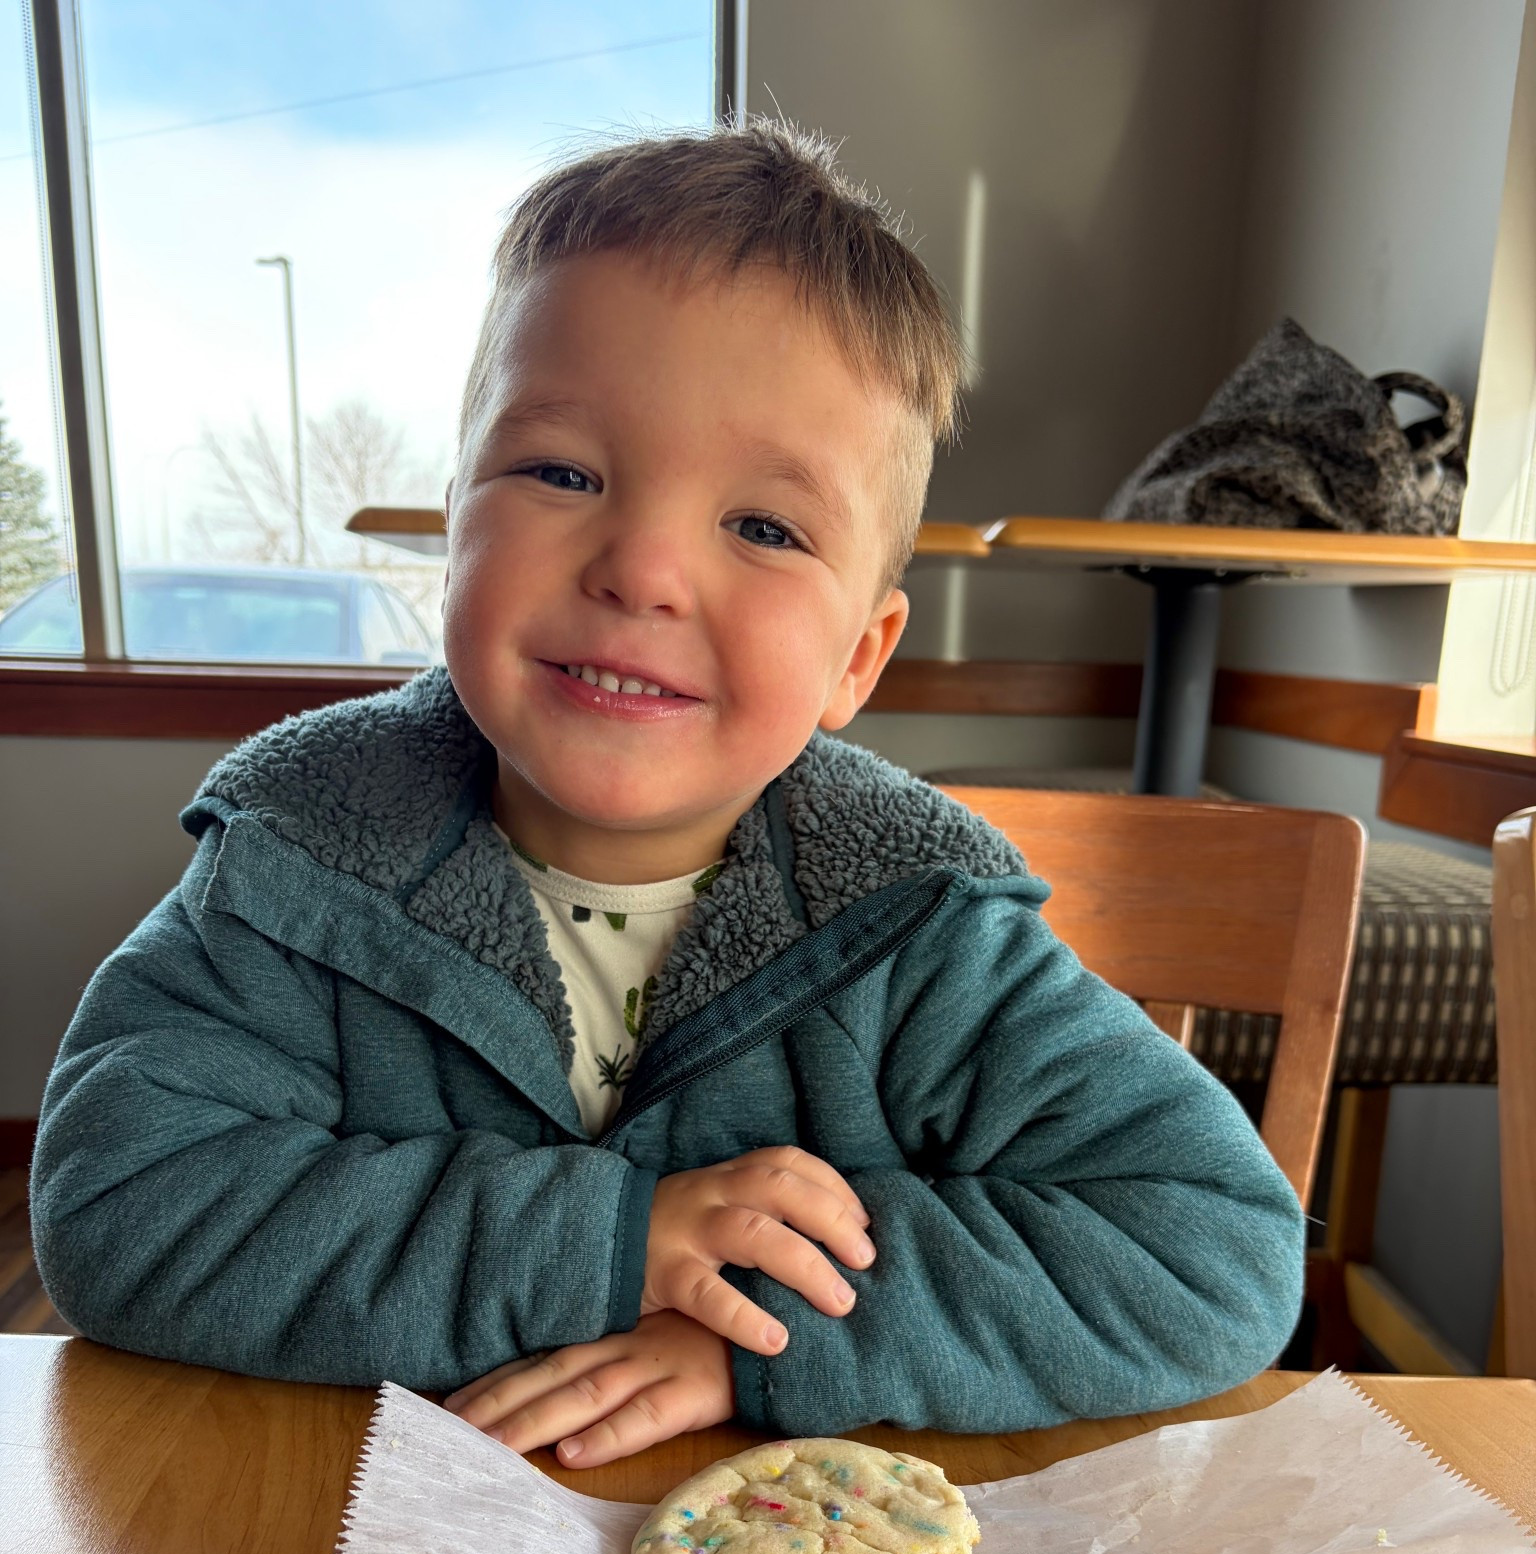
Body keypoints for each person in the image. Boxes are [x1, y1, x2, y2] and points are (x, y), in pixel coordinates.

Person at [30, 122, 1303, 1467]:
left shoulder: (922, 929)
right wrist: (615, 1241)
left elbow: (1215, 1248)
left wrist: (752, 1332)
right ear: (454, 527)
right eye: (562, 473)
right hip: (333, 1525)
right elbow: (120, 1202)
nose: (641, 570)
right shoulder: (300, 862)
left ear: (858, 659)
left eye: (763, 527)